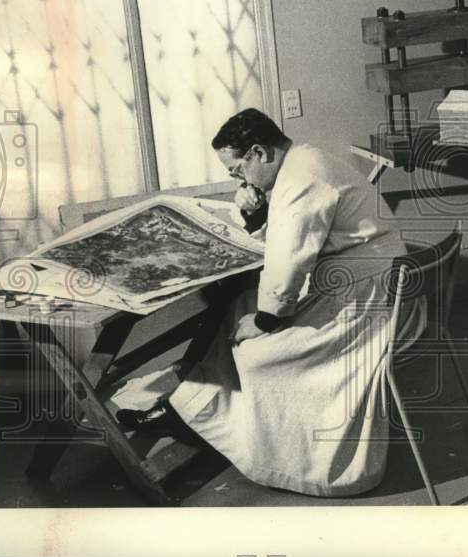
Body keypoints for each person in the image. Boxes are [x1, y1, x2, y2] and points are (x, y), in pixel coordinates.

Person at [117, 109, 415, 497]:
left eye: (237, 169)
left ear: (258, 152)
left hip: (366, 297)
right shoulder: (304, 160)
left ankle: (273, 452)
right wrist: (257, 212)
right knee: (238, 306)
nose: (237, 178)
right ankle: (188, 409)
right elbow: (295, 237)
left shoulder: (300, 179)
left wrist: (265, 322)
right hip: (366, 281)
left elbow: (287, 260)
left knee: (256, 351)